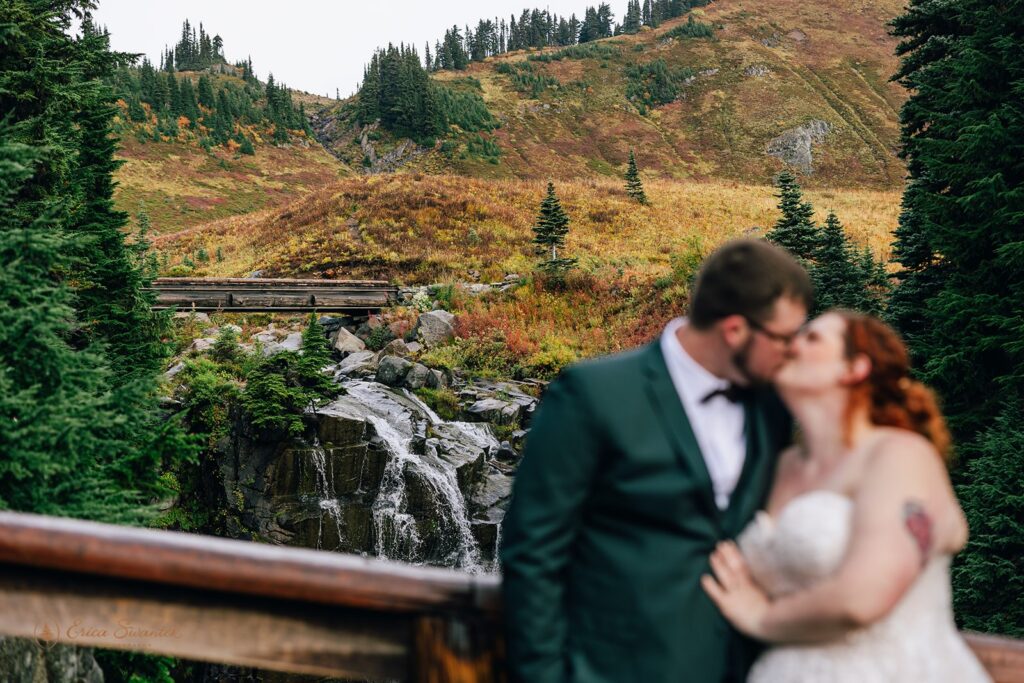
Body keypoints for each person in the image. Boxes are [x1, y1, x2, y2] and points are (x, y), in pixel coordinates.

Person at [501, 238, 812, 683]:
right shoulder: (594, 395)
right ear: (735, 330)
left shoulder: (771, 407)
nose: (794, 349)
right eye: (785, 337)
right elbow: (533, 550)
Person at [702, 311, 991, 682]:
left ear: (854, 368)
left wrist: (759, 618)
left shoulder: (899, 454)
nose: (790, 345)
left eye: (812, 338)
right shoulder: (776, 465)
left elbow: (863, 596)